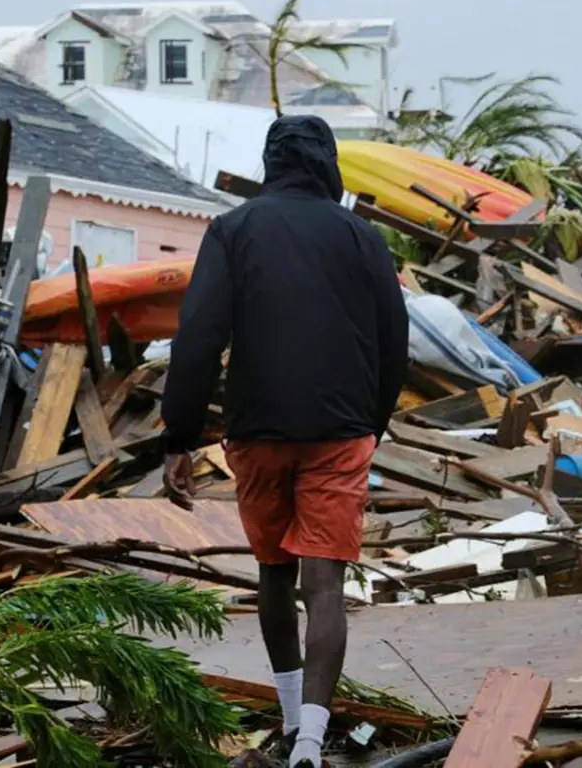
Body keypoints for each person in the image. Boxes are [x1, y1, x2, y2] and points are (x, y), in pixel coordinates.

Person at [161, 114, 409, 768]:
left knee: (274, 571)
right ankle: (309, 744)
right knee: (323, 586)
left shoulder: (233, 230)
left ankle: (292, 715)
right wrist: (370, 425)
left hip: (258, 428)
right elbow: (395, 345)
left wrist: (178, 436)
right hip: (340, 430)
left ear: (271, 163)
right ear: (329, 164)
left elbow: (197, 336)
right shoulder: (363, 237)